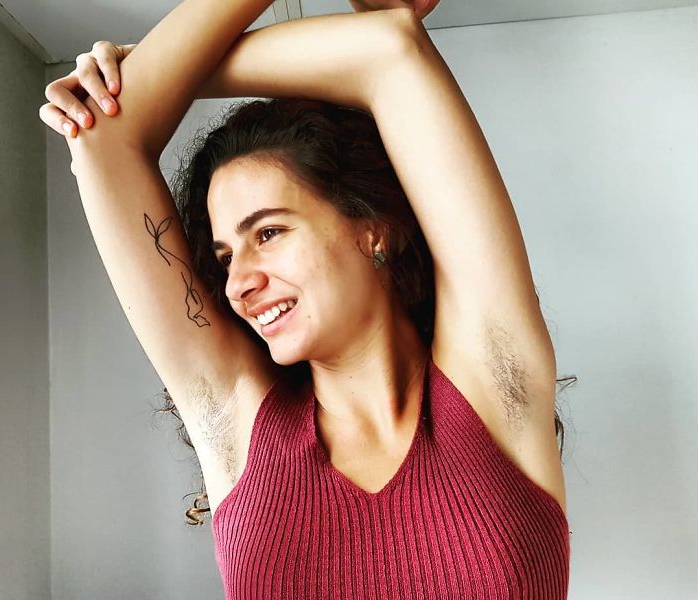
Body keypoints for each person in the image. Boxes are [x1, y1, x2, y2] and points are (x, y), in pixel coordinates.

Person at [40, 0, 572, 597]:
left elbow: (389, 49)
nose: (238, 283)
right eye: (226, 256)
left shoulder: (495, 387)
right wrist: (155, 69)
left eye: (268, 233)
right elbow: (101, 132)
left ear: (373, 229)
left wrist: (159, 65)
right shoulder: (240, 425)